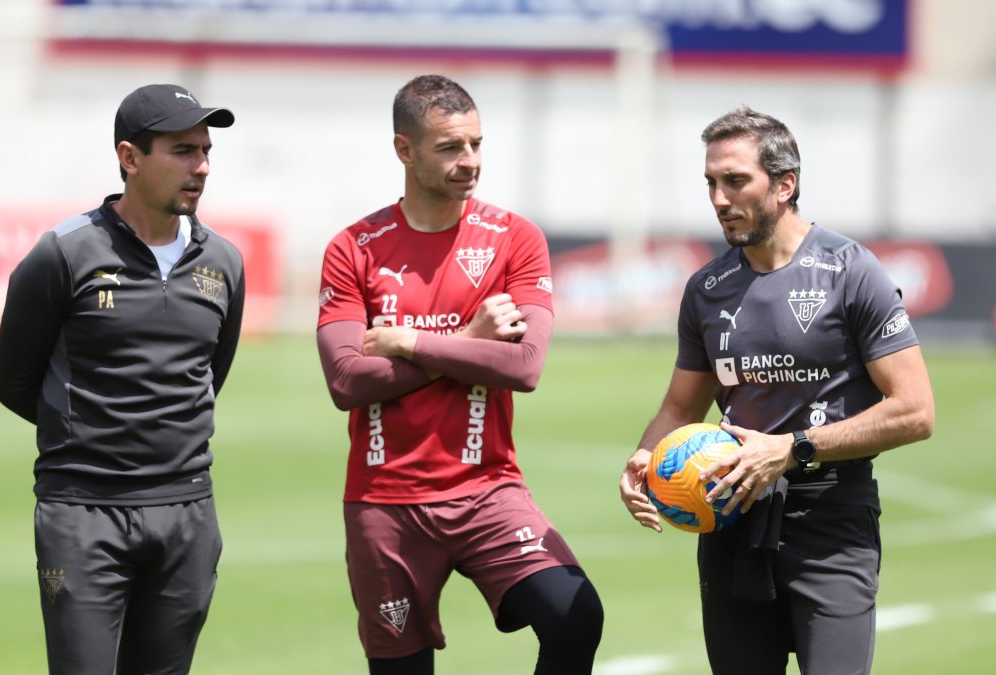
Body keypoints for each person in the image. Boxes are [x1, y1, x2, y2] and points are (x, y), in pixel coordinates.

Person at [618, 106, 935, 674]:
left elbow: (915, 412)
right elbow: (678, 407)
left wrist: (792, 449)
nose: (719, 198)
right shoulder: (706, 289)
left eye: (735, 181)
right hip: (730, 518)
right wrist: (644, 456)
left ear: (785, 184)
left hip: (832, 519)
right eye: (711, 183)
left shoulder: (851, 271)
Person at [317, 74, 603, 675]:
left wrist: (411, 342)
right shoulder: (354, 248)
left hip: (488, 491)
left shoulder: (515, 239)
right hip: (384, 503)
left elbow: (524, 367)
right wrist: (469, 341)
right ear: (405, 150)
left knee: (575, 615)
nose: (469, 161)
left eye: (475, 144)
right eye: (449, 147)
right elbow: (346, 381)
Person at [0, 83, 244, 674]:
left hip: (187, 514)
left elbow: (209, 377)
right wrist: (95, 430)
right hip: (83, 515)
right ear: (130, 158)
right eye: (183, 151)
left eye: (206, 151)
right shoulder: (64, 253)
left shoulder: (223, 262)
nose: (201, 167)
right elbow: (13, 381)